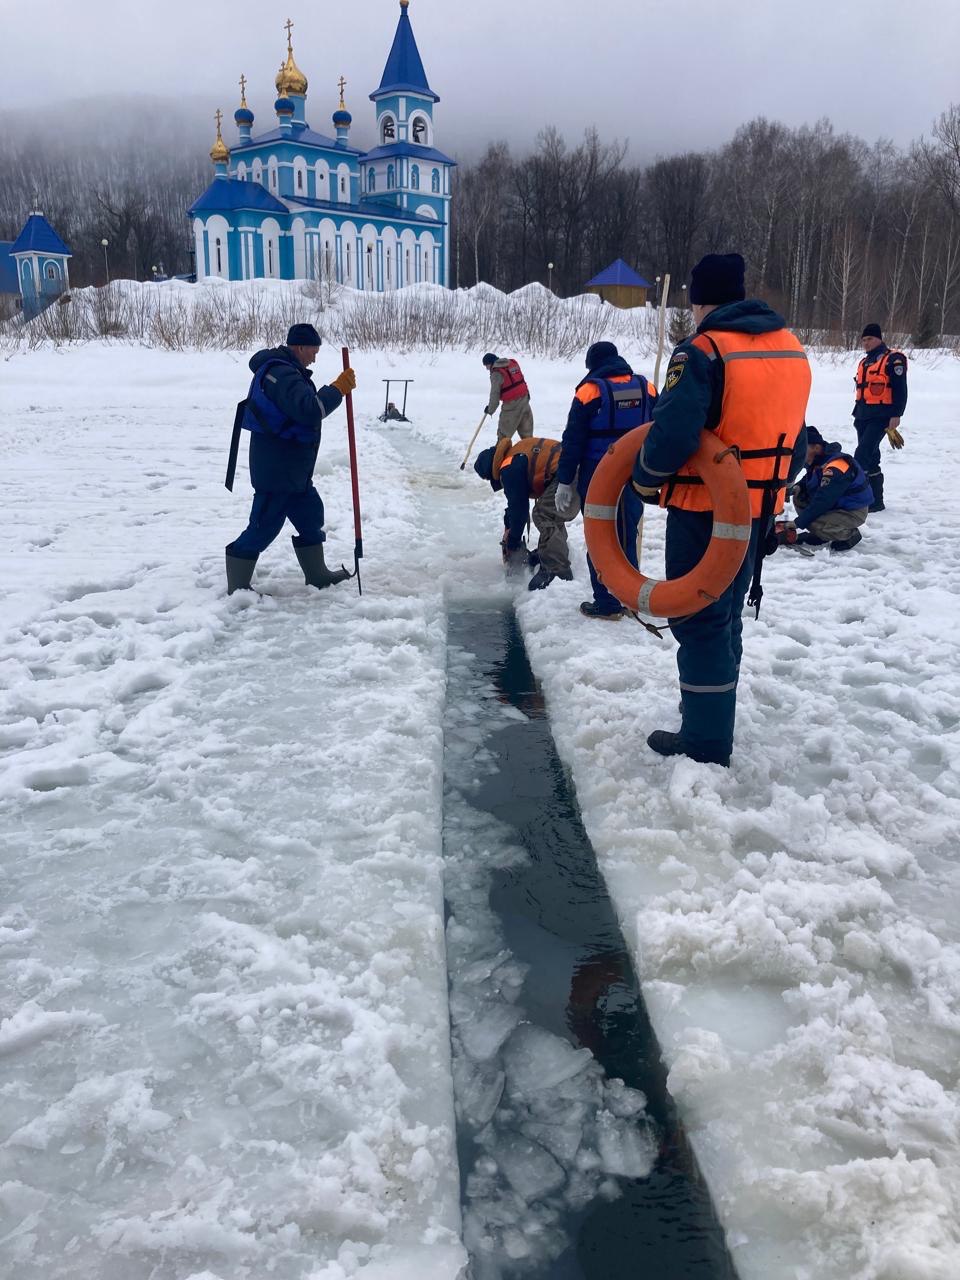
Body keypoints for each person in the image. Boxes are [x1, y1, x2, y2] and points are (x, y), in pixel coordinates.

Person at [630, 253, 810, 766]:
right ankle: (712, 720)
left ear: (698, 299)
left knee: (699, 620)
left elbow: (674, 432)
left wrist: (643, 481)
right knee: (726, 619)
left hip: (703, 511)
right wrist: (771, 496)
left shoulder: (703, 351)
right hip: (756, 512)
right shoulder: (791, 348)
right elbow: (795, 439)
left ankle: (705, 743)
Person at [225, 323, 357, 594]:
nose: (315, 357)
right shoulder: (280, 375)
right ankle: (238, 586)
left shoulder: (288, 371)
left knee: (310, 515)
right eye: (313, 350)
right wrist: (337, 389)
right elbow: (309, 410)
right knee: (265, 525)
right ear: (299, 347)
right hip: (276, 467)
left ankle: (317, 574)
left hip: (293, 469)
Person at [553, 341, 657, 619]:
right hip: (634, 474)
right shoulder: (646, 387)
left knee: (600, 537)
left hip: (597, 476)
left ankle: (607, 603)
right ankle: (630, 596)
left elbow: (573, 440)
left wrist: (565, 481)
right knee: (627, 533)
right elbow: (661, 426)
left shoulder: (589, 391)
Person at [474, 437, 575, 590]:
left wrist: (513, 541)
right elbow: (516, 503)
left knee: (543, 514)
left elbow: (519, 510)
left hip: (567, 472)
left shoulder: (509, 467)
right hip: (572, 466)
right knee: (551, 511)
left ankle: (557, 569)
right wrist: (510, 519)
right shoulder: (516, 453)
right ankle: (551, 553)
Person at [779, 426, 873, 552]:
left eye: (802, 448)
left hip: (852, 511)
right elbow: (810, 477)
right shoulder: (819, 460)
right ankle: (822, 532)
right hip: (836, 506)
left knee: (812, 523)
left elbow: (823, 500)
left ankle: (848, 534)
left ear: (816, 447)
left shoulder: (836, 467)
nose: (798, 453)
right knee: (800, 496)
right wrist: (798, 487)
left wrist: (797, 523)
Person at [852, 323, 907, 512]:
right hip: (862, 415)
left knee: (861, 455)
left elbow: (900, 389)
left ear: (879, 338)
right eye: (864, 340)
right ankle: (875, 502)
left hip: (881, 417)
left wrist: (896, 415)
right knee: (872, 458)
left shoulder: (893, 359)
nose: (866, 343)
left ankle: (856, 497)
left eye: (870, 339)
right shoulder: (865, 362)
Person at [482, 353, 534, 440]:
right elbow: (521, 380)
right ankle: (530, 453)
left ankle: (500, 453)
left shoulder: (496, 373)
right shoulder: (512, 364)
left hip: (511, 406)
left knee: (503, 438)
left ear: (490, 363)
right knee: (527, 438)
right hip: (524, 401)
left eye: (486, 366)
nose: (486, 369)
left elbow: (494, 394)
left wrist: (490, 409)